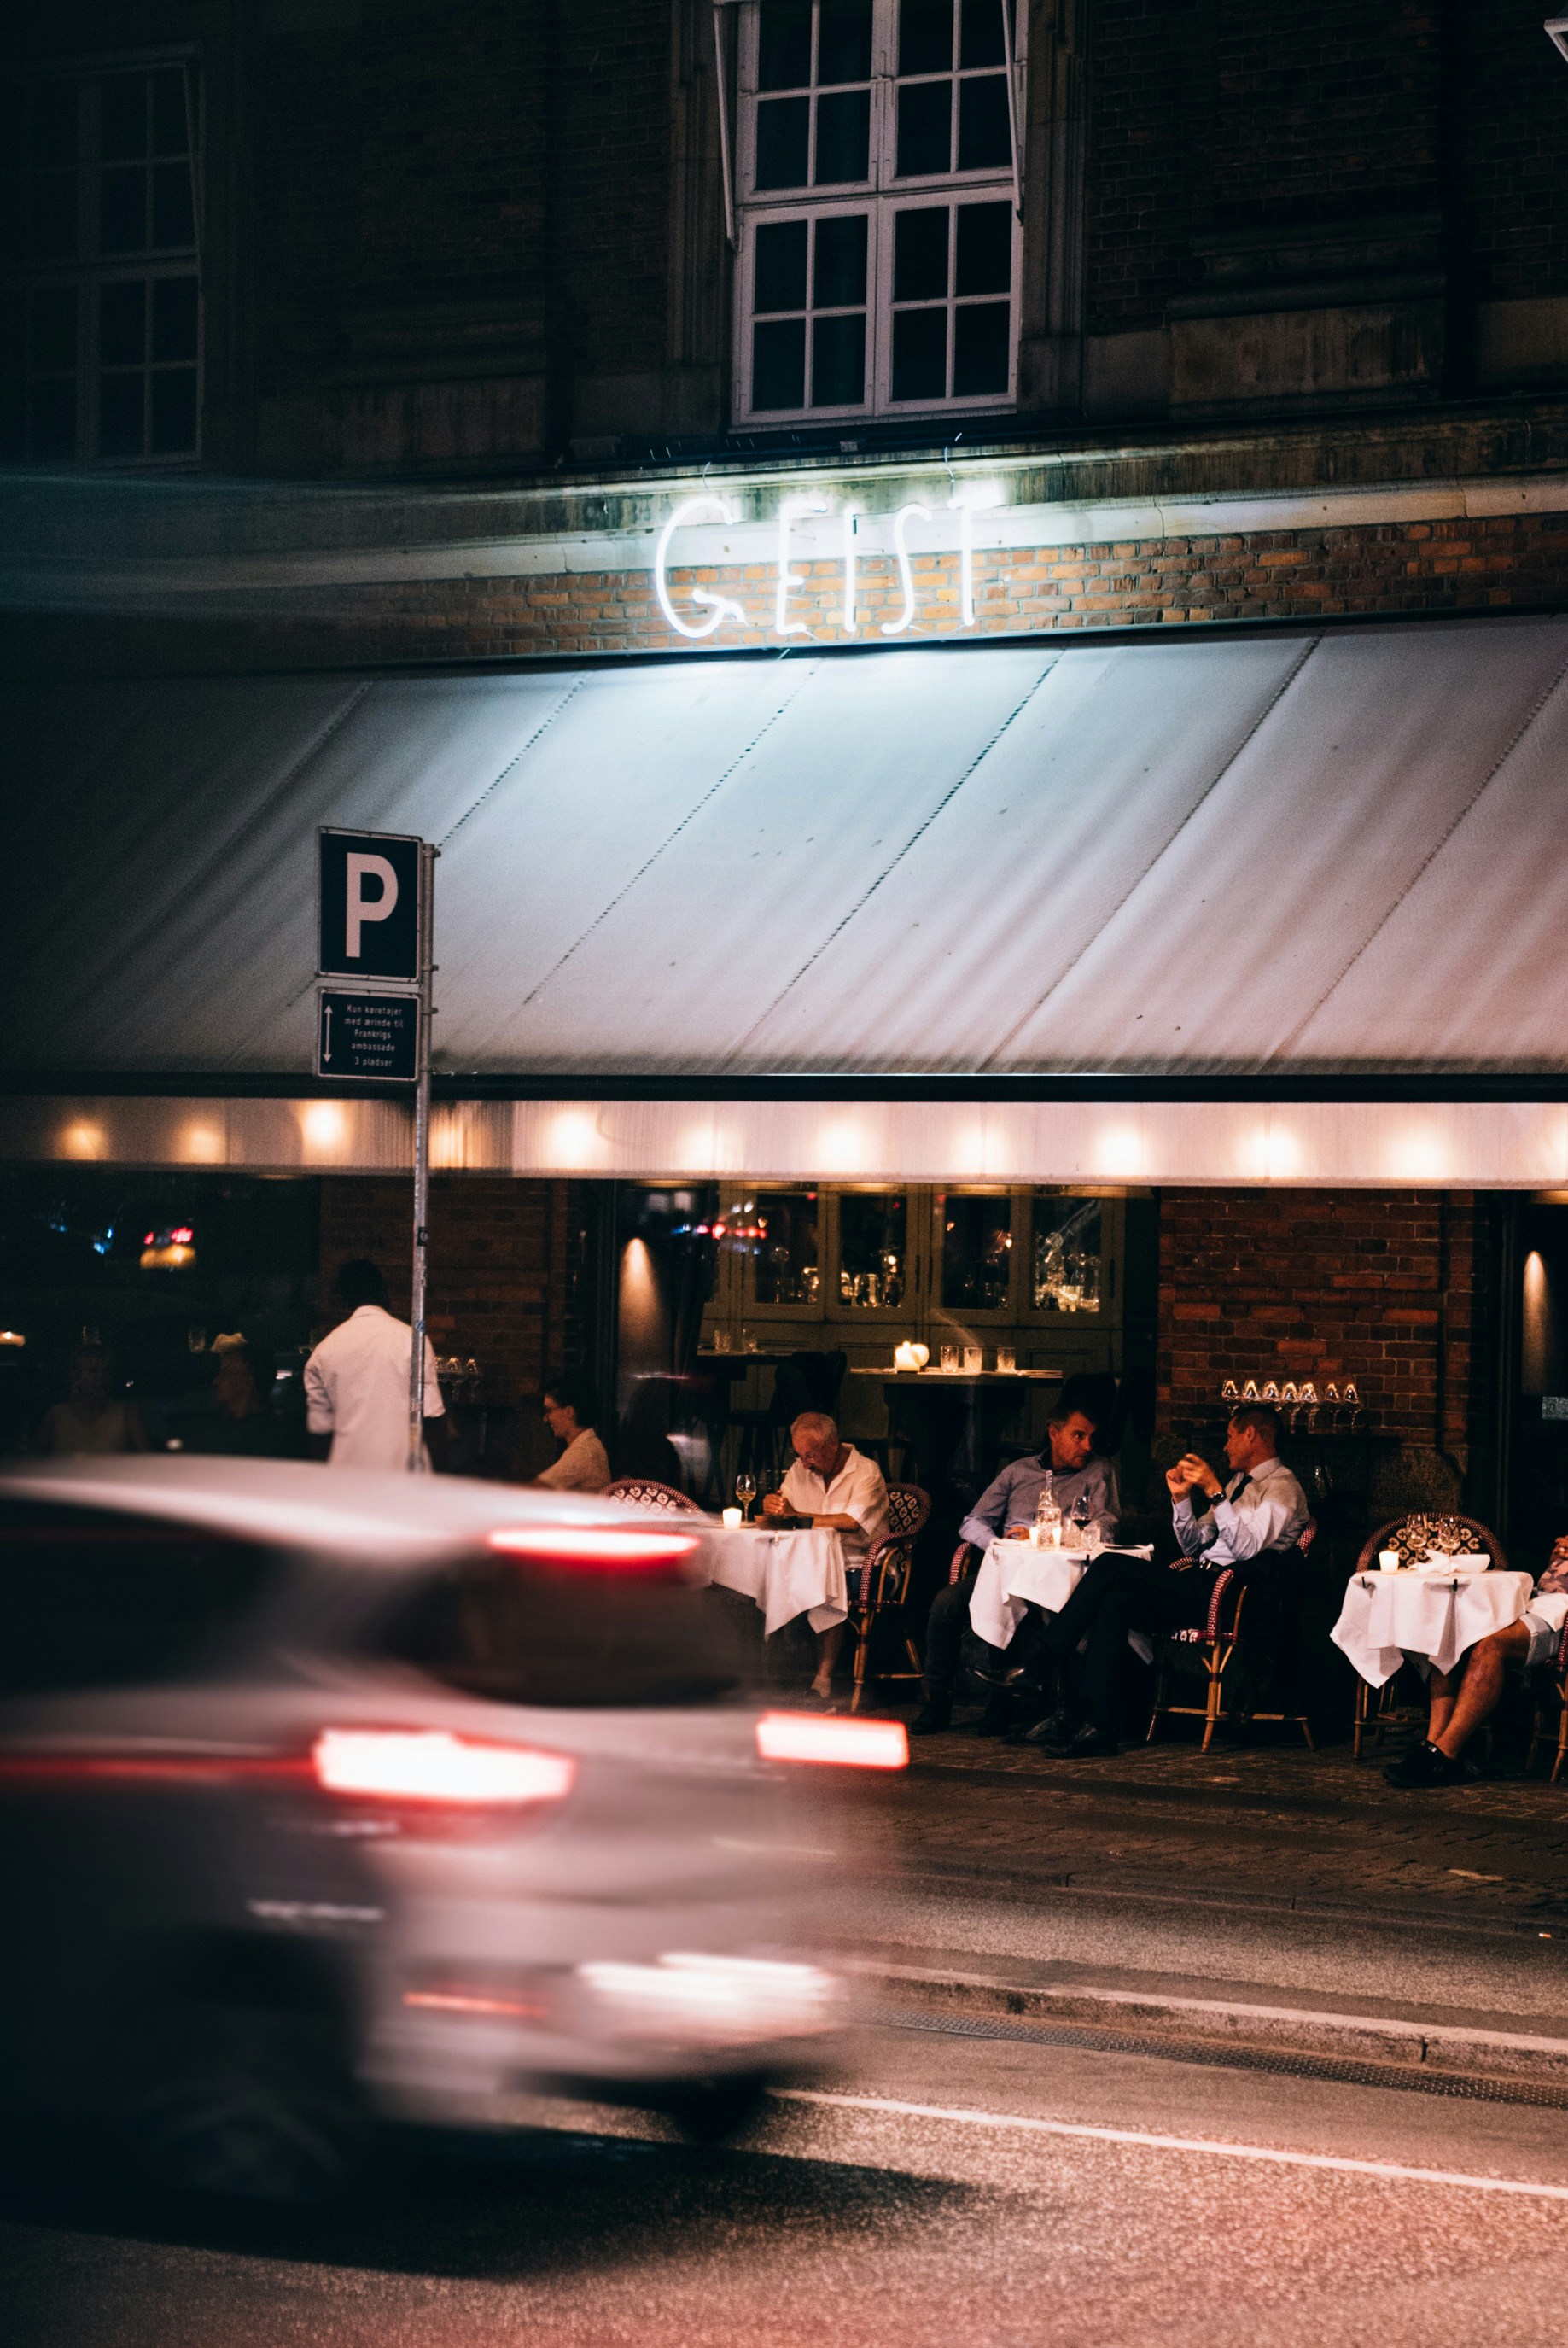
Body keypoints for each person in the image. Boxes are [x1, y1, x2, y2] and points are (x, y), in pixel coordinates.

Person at [1017, 1402, 1309, 1758]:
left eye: (1231, 1436)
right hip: (1200, 1582)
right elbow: (1196, 1542)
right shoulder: (1238, 1484)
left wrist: (1215, 1492)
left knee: (1110, 1565)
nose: (1225, 1446)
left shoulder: (1283, 1488)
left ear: (1252, 1435)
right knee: (1115, 1603)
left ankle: (1038, 1663)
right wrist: (1182, 1500)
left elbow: (1247, 1550)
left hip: (1232, 1594)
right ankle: (1098, 1726)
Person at [911, 1386, 1119, 1737]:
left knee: (1029, 1608)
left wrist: (1038, 1537)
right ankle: (938, 1700)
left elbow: (1105, 1529)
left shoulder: (1098, 1472)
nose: (1088, 1446)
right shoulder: (1018, 1472)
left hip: (1057, 1578)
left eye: (1091, 1437)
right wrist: (997, 1544)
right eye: (1078, 1436)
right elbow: (971, 1522)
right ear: (1054, 1433)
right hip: (1004, 1570)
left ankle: (1004, 1704)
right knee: (945, 1605)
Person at [1384, 1534, 1568, 1788]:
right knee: (1451, 1634)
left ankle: (1446, 1754)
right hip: (1536, 1602)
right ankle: (1433, 1745)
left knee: (1491, 1645)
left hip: (1560, 1615)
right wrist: (1559, 1554)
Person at [763, 1411, 889, 1704]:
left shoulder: (866, 1472)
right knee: (764, 1577)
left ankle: (822, 1681)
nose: (805, 1463)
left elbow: (850, 1522)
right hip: (810, 1560)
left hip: (861, 1563)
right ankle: (768, 1673)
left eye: (811, 1455)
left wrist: (797, 1516)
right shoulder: (800, 1469)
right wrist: (773, 1505)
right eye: (800, 1455)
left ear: (833, 1443)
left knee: (827, 1582)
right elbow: (786, 1512)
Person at [304, 1259, 445, 1471]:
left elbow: (320, 1434)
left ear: (342, 1299)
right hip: (405, 1475)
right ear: (383, 1291)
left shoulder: (323, 1352)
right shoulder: (413, 1340)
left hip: (348, 1478)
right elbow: (432, 1418)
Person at [184, 1340, 292, 1457]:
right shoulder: (209, 1427)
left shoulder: (276, 1437)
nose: (217, 1380)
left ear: (247, 1381)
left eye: (226, 1373)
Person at [38, 1344, 150, 1457]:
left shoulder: (126, 1415)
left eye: (106, 1371)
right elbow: (33, 1460)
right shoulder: (56, 1416)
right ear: (77, 1375)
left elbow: (148, 1460)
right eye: (93, 1371)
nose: (101, 1377)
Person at [533, 1373, 611, 1492]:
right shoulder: (587, 1444)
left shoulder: (583, 1451)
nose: (545, 1419)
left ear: (569, 1412)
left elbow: (535, 1488)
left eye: (548, 1411)